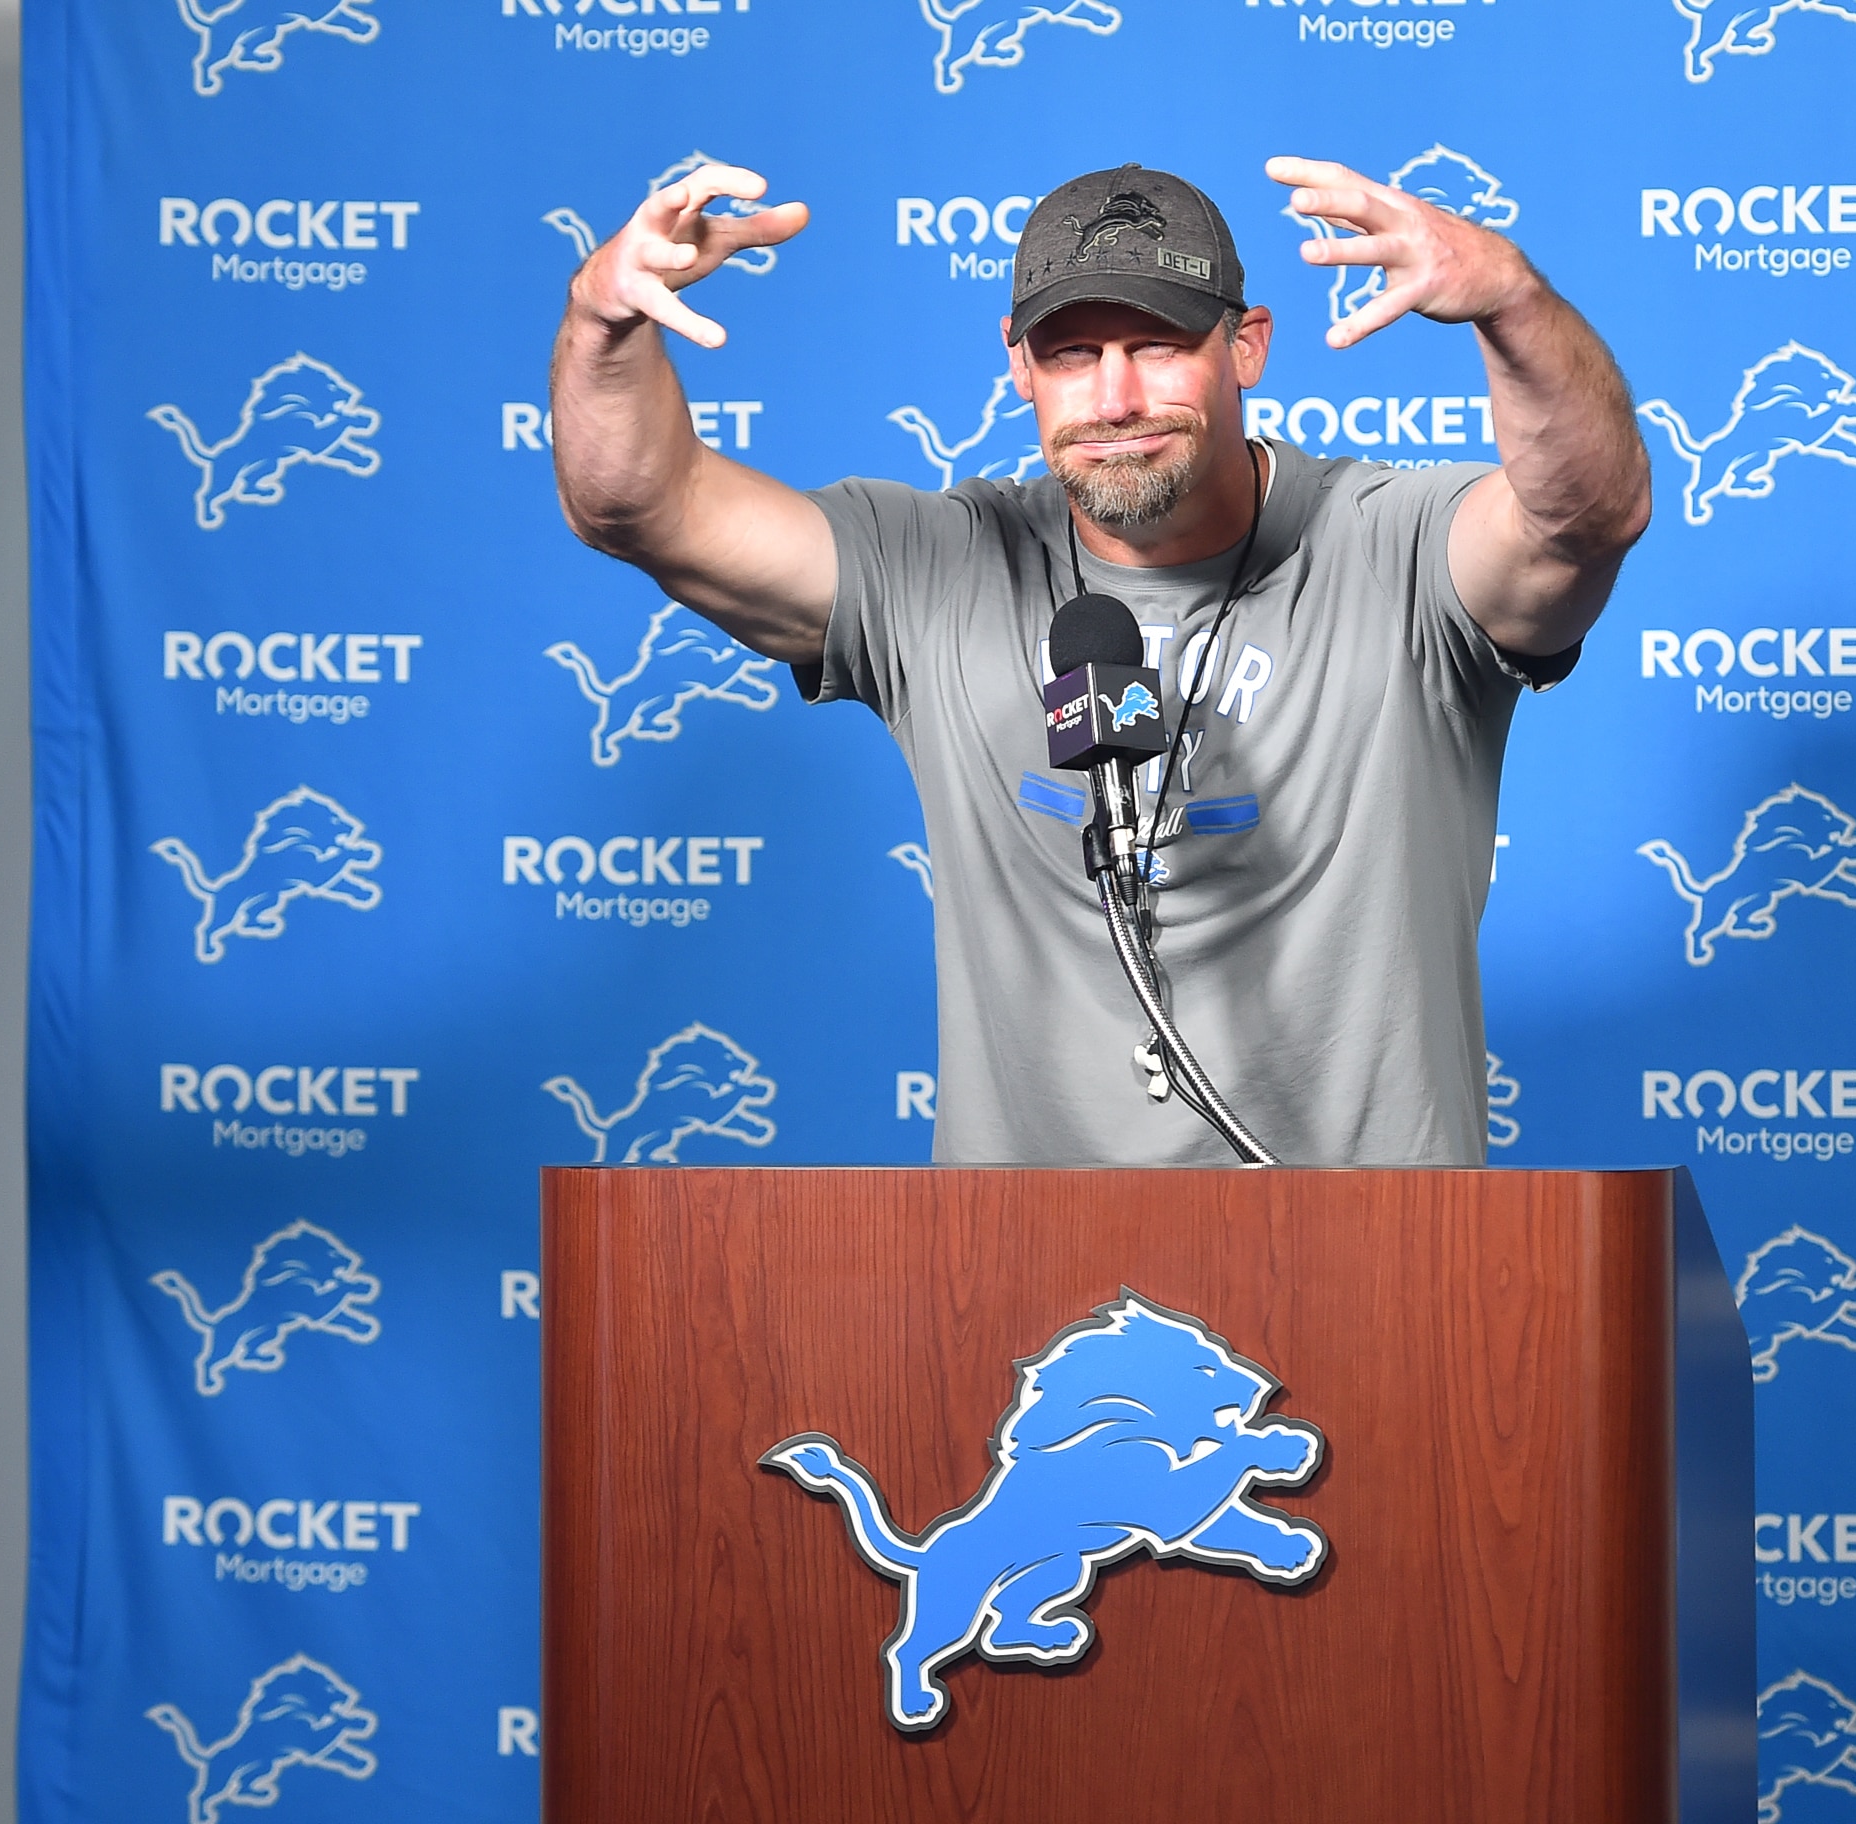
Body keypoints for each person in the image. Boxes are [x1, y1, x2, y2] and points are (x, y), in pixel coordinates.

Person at [548, 158, 1650, 1166]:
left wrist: (1513, 304)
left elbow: (1582, 520)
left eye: (1158, 345)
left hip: (1365, 1264)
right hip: (1026, 1279)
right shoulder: (932, 566)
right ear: (1019, 367)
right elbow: (638, 506)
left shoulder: (1392, 547)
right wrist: (602, 321)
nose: (1115, 400)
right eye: (1073, 355)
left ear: (1247, 347)